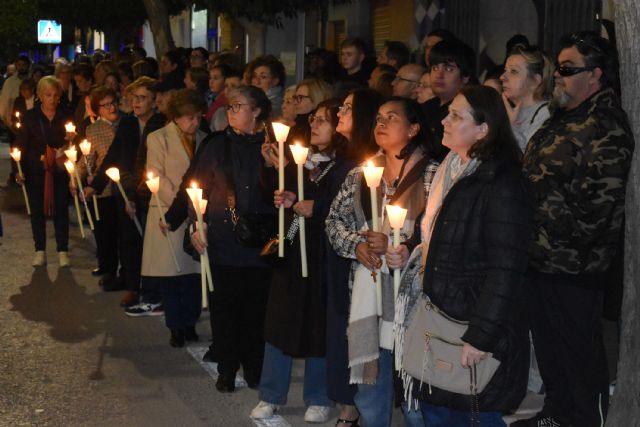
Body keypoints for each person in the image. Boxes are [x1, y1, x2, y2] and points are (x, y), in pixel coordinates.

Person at [517, 31, 634, 427]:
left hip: (573, 265)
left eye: (568, 69)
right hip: (540, 257)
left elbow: (602, 204)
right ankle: (556, 415)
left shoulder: (605, 124)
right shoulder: (566, 116)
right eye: (559, 68)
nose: (558, 75)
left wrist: (564, 240)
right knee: (550, 349)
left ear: (595, 74)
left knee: (578, 355)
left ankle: (583, 420)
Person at [397, 85, 532, 426]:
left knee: (471, 415)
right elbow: (440, 231)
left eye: (456, 116)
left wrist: (480, 336)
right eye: (449, 113)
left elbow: (506, 268)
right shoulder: (452, 169)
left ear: (483, 129)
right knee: (437, 411)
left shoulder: (501, 183)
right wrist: (409, 246)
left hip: (469, 324)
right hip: (440, 317)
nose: (444, 120)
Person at [166, 85, 276, 393]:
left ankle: (254, 366)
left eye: (239, 106)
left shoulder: (275, 146)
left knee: (256, 311)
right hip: (223, 241)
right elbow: (195, 187)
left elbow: (286, 188)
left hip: (261, 244)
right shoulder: (215, 145)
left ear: (257, 111)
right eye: (230, 106)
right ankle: (227, 368)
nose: (231, 111)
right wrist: (195, 225)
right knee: (224, 309)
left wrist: (273, 167)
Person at [251, 99, 347, 423]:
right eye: (313, 119)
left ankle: (318, 396)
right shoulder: (299, 158)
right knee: (280, 320)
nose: (314, 125)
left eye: (323, 120)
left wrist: (312, 203)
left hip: (323, 254)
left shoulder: (345, 165)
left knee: (318, 325)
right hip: (293, 250)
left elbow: (336, 204)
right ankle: (271, 394)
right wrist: (276, 176)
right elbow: (277, 193)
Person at [325, 89, 384, 427]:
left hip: (372, 270)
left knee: (367, 340)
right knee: (345, 335)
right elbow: (331, 217)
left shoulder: (368, 166)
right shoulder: (348, 164)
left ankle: (354, 408)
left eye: (348, 108)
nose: (339, 113)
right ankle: (350, 406)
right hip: (343, 261)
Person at [86, 77, 165, 308]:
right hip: (128, 189)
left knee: (152, 240)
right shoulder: (128, 123)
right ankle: (132, 286)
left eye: (142, 98)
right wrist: (96, 185)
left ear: (154, 101)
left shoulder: (160, 124)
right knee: (129, 239)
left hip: (153, 190)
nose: (136, 102)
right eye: (134, 97)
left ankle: (154, 288)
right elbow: (113, 154)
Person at [142, 89, 206, 345]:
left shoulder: (204, 139)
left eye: (198, 117)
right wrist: (181, 205)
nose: (195, 123)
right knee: (171, 275)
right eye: (190, 117)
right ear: (176, 117)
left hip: (196, 212)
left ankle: (190, 321)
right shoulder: (158, 138)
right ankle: (175, 325)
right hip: (167, 210)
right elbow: (156, 175)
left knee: (193, 273)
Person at [14, 76, 72, 267]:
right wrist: (18, 170)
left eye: (55, 95)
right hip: (36, 172)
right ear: (40, 95)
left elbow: (73, 143)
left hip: (59, 170)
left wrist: (68, 144)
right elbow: (20, 145)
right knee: (37, 211)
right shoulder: (30, 117)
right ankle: (40, 250)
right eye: (48, 95)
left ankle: (63, 250)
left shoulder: (65, 115)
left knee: (61, 210)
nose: (52, 99)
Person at [77, 86, 122, 281]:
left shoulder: (125, 124)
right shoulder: (93, 130)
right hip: (103, 188)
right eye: (106, 105)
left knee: (121, 232)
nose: (112, 108)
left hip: (123, 186)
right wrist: (76, 176)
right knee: (104, 230)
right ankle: (107, 266)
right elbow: (88, 157)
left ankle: (122, 269)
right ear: (98, 110)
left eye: (113, 103)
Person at [422, 38, 475, 146]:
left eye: (448, 69)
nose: (439, 75)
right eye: (435, 68)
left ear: (465, 76)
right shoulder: (425, 107)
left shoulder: (468, 112)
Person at [500, 45, 553, 152]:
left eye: (514, 71)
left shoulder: (546, 114)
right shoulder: (505, 110)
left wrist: (512, 126)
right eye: (505, 70)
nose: (502, 77)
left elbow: (527, 156)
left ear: (535, 81)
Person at [288, 78, 332, 145]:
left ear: (315, 98)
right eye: (295, 98)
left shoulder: (313, 129)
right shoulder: (297, 124)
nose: (295, 102)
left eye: (300, 97)